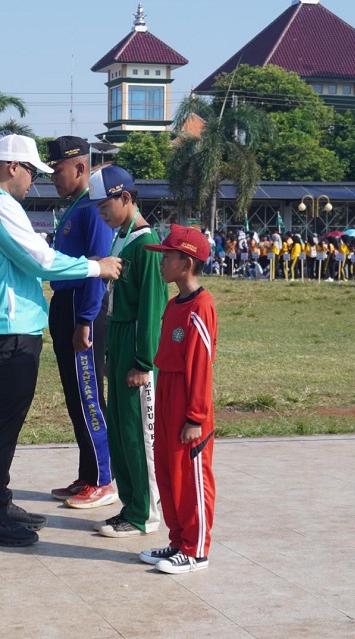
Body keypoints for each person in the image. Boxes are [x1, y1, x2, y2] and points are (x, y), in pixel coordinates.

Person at [0, 134, 122, 547]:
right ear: (13, 166)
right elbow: (42, 259)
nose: (35, 180)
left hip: (3, 324)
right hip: (7, 329)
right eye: (32, 170)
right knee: (1, 426)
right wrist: (96, 267)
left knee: (5, 422)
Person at [90, 165, 168, 539]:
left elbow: (152, 308)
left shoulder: (147, 244)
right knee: (120, 430)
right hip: (118, 340)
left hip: (136, 344)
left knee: (139, 434)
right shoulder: (120, 238)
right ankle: (130, 505)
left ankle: (146, 513)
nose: (101, 213)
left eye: (105, 205)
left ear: (125, 197)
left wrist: (143, 361)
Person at [138, 224, 217, 574]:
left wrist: (195, 417)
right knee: (168, 473)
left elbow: (201, 366)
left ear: (186, 263)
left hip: (188, 402)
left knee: (191, 476)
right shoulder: (173, 305)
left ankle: (196, 549)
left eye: (167, 256)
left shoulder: (201, 307)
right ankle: (178, 541)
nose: (162, 261)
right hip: (166, 393)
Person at [44, 137, 117, 509]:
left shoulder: (92, 209)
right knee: (76, 396)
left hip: (81, 309)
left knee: (88, 395)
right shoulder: (74, 206)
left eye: (57, 170)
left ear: (80, 168)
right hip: (65, 304)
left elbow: (97, 268)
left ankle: (104, 479)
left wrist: (86, 320)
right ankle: (88, 474)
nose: (53, 178)